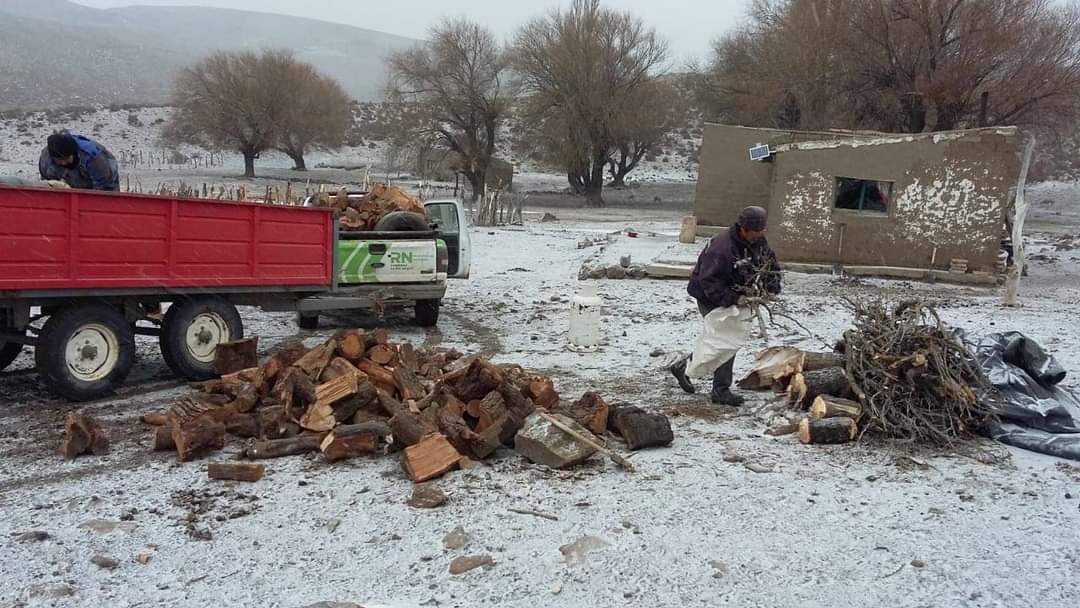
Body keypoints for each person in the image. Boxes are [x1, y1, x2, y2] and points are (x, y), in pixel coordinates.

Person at [669, 205, 782, 405]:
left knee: (724, 342)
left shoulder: (757, 240)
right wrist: (733, 299)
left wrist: (771, 286)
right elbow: (708, 281)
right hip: (709, 296)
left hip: (736, 291)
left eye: (761, 232)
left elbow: (770, 265)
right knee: (726, 340)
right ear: (744, 228)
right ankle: (720, 391)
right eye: (756, 232)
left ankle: (684, 366)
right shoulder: (721, 248)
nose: (759, 236)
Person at [39, 131, 120, 191]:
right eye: (59, 160)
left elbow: (104, 187)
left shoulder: (92, 157)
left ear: (73, 153)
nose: (63, 163)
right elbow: (48, 184)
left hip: (104, 180)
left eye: (66, 159)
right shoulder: (46, 160)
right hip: (71, 182)